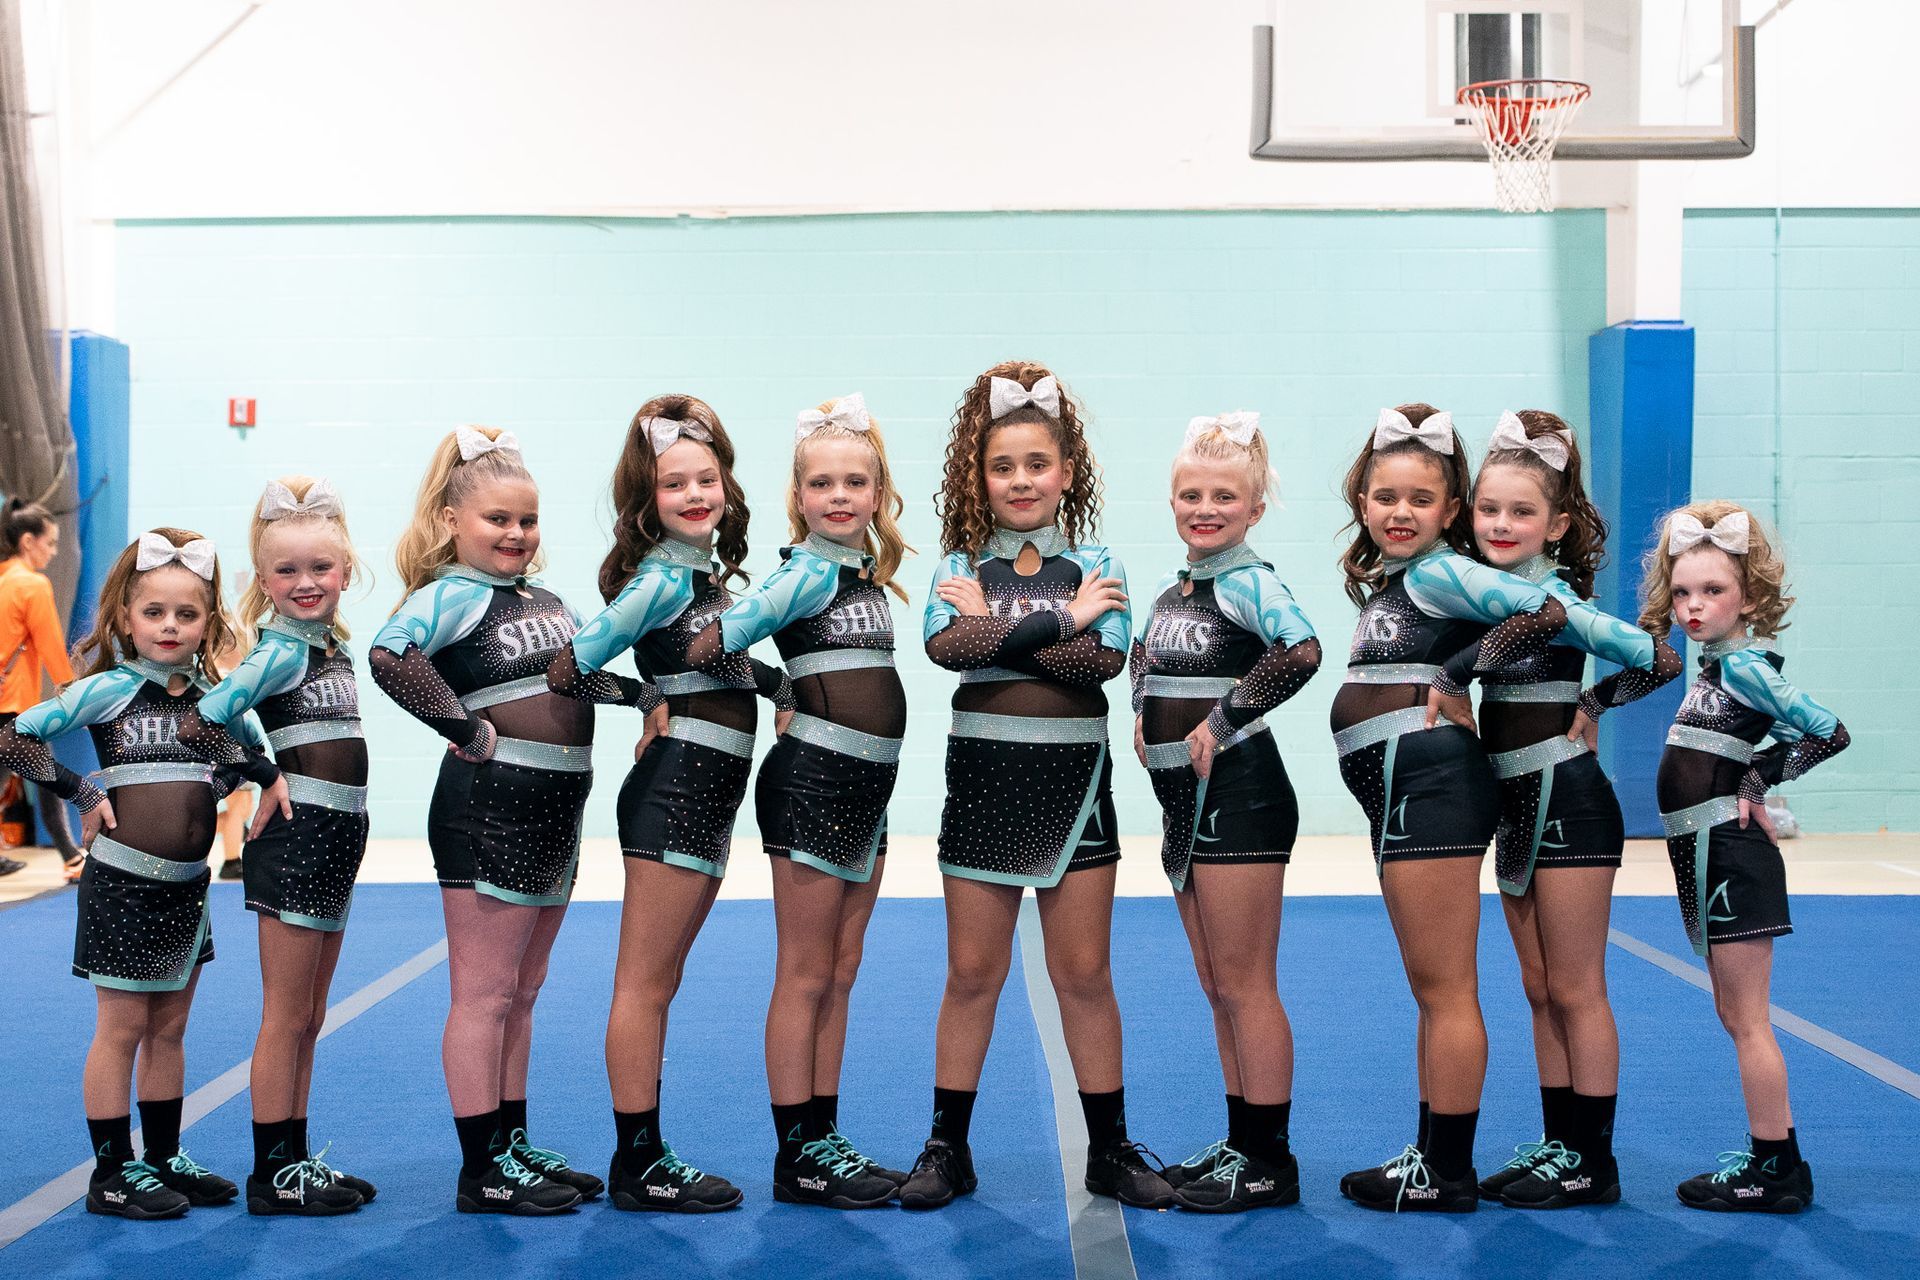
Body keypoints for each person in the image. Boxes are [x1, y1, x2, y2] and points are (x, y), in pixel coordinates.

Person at [900, 360, 1172, 1212]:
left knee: (1084, 975)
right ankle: (948, 1148)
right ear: (977, 476)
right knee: (970, 974)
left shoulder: (1099, 560)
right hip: (983, 782)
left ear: (1067, 473)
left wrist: (1001, 628)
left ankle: (1111, 1148)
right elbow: (947, 652)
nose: (1020, 480)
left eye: (1037, 465)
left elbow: (1103, 661)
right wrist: (1064, 618)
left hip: (1075, 785)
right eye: (1001, 466)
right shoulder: (957, 561)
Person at [546, 396, 790, 1213]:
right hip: (676, 791)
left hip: (708, 795)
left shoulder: (701, 575)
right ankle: (637, 1161)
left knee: (662, 983)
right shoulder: (657, 578)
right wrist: (643, 693)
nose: (694, 494)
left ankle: (645, 1155)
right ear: (647, 499)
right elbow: (568, 666)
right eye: (674, 483)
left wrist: (771, 680)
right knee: (643, 985)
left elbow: (713, 662)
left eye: (706, 478)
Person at [1329, 406, 1567, 1213]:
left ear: (1450, 509)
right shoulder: (1404, 579)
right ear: (1362, 500)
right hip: (1405, 791)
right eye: (1385, 495)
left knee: (1446, 989)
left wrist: (1454, 674)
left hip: (1434, 789)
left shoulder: (1450, 571)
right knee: (1429, 987)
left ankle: (1450, 1168)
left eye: (1421, 498)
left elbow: (1547, 612)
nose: (1400, 512)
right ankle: (1433, 1156)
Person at [371, 427, 609, 1215]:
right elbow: (389, 654)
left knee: (524, 991)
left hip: (556, 810)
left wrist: (650, 701)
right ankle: (481, 1169)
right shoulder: (449, 594)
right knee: (484, 994)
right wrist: (462, 727)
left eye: (526, 521)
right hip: (491, 809)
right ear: (451, 521)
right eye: (497, 520)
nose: (515, 534)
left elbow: (584, 676)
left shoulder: (548, 600)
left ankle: (511, 1142)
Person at [684, 393, 911, 1208]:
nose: (840, 496)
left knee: (841, 972)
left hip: (864, 789)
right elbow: (709, 644)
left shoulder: (862, 574)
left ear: (879, 493)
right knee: (807, 973)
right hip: (813, 784)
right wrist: (780, 686)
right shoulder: (803, 571)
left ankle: (825, 1137)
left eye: (856, 481)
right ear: (798, 496)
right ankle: (796, 1154)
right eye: (823, 483)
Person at [0, 529, 268, 1218]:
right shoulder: (109, 689)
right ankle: (111, 1171)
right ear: (125, 617)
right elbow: (12, 735)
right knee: (121, 1030)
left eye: (187, 613)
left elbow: (254, 759)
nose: (171, 626)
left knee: (171, 1030)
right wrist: (80, 790)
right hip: (123, 883)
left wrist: (230, 781)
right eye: (155, 612)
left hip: (188, 889)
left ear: (209, 621)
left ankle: (162, 1156)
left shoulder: (215, 698)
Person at [1465, 411, 1681, 1209]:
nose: (1501, 524)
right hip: (1516, 799)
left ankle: (1594, 1159)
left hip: (1568, 796)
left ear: (1555, 524)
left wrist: (1593, 700)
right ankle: (1563, 1145)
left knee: (1578, 985)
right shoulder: (1482, 589)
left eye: (1521, 512)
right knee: (1538, 985)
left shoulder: (1556, 597)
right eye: (1489, 510)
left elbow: (1659, 655)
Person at [1132, 412, 1320, 1213]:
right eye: (1190, 494)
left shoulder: (1248, 580)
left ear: (1254, 508)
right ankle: (1242, 1138)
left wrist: (1223, 718)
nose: (1204, 508)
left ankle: (1270, 1159)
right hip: (1187, 804)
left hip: (1239, 795)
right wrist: (1139, 713)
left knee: (1245, 983)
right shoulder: (1182, 586)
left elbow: (1301, 649)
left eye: (1223, 497)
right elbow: (1146, 654)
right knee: (1217, 984)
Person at [176, 477, 377, 1214]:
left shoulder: (332, 650)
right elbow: (202, 718)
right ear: (262, 581)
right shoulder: (280, 652)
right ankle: (271, 1173)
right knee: (286, 1015)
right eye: (286, 571)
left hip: (335, 839)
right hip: (297, 843)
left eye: (319, 568)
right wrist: (263, 773)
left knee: (312, 1017)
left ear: (346, 572)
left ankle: (293, 1157)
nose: (305, 582)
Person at [1643, 501, 1848, 1214]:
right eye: (1682, 593)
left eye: (1713, 592)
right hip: (1706, 848)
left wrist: (1760, 777)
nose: (1694, 607)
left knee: (1749, 1019)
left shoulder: (1747, 667)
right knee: (1737, 1017)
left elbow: (1829, 731)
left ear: (1749, 599)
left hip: (1732, 854)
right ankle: (1775, 1160)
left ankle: (1775, 1168)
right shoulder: (1715, 667)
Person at [0, 497, 83, 878]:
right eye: (49, 543)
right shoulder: (32, 585)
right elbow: (49, 641)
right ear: (28, 541)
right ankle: (71, 857)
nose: (52, 552)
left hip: (7, 699)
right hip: (16, 702)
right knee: (49, 777)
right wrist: (69, 684)